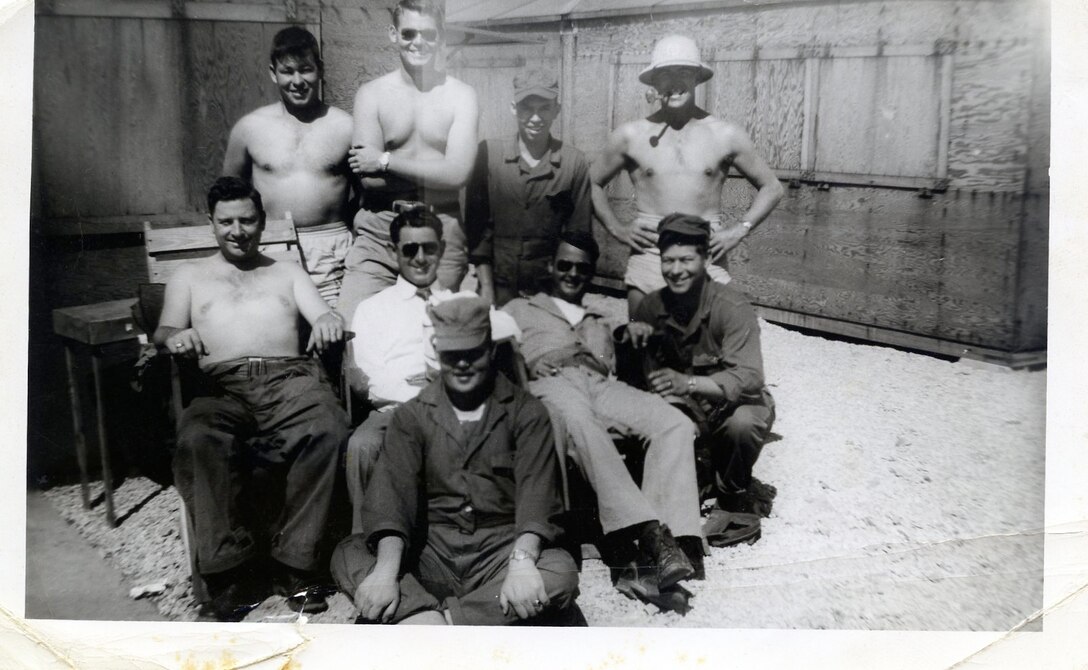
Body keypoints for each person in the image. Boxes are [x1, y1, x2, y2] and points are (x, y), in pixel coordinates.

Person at [153, 177, 349, 622]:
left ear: (261, 222)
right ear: (211, 223)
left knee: (329, 429)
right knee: (199, 436)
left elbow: (323, 314)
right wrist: (176, 336)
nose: (237, 230)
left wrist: (328, 323)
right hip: (220, 384)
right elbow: (164, 331)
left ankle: (295, 565)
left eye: (247, 220)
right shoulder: (189, 276)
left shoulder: (287, 270)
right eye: (226, 221)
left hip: (291, 378)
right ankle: (229, 572)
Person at [331, 296, 581, 625]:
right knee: (348, 553)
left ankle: (431, 620)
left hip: (499, 554)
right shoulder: (411, 417)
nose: (461, 364)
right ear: (437, 357)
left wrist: (521, 563)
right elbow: (392, 497)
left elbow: (538, 499)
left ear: (491, 352)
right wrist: (387, 571)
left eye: (472, 353)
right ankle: (460, 617)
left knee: (560, 571)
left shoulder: (528, 413)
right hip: (430, 552)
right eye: (452, 355)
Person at [502, 231, 704, 610]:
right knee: (579, 420)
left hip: (601, 384)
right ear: (550, 267)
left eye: (582, 268)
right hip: (551, 382)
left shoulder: (600, 316)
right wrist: (526, 366)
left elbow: (624, 351)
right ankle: (650, 537)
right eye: (564, 265)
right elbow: (498, 352)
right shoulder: (518, 308)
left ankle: (672, 546)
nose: (572, 274)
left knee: (673, 423)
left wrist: (633, 331)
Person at [345, 207, 520, 532]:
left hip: (459, 408)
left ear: (441, 249)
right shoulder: (374, 308)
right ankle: (364, 541)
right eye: (410, 249)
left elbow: (509, 326)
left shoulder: (460, 300)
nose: (421, 258)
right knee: (363, 445)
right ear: (394, 251)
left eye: (429, 248)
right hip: (396, 411)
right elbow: (373, 380)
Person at [591, 34, 784, 315]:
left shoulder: (725, 134)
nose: (675, 81)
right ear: (654, 83)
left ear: (696, 78)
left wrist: (738, 231)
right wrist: (616, 228)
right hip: (651, 252)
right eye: (665, 74)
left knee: (709, 347)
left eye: (684, 71)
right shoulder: (630, 135)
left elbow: (772, 187)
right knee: (645, 345)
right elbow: (591, 182)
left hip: (705, 249)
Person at [627, 213, 776, 546]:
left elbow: (750, 377)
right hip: (687, 410)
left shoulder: (732, 305)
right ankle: (700, 473)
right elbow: (645, 376)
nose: (676, 270)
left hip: (732, 406)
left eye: (686, 260)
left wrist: (687, 384)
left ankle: (733, 499)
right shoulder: (651, 306)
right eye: (668, 261)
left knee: (744, 424)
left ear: (706, 259)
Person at [338, 0, 479, 321]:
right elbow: (368, 179)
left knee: (437, 332)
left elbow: (458, 174)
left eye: (428, 34)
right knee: (354, 327)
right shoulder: (371, 94)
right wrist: (438, 171)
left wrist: (386, 160)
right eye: (409, 33)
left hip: (440, 229)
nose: (418, 42)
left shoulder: (461, 95)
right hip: (379, 230)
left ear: (441, 38)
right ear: (393, 34)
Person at [222, 26, 355, 307]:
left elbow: (366, 195)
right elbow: (227, 196)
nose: (297, 81)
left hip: (331, 252)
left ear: (319, 69)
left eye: (305, 69)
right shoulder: (249, 128)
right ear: (273, 73)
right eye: (287, 71)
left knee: (335, 335)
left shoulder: (346, 127)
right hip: (270, 249)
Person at [465, 68, 592, 306]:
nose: (536, 118)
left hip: (549, 290)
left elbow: (579, 237)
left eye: (544, 108)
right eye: (527, 108)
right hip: (498, 286)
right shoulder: (489, 155)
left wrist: (566, 301)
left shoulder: (574, 163)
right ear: (514, 108)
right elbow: (478, 232)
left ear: (557, 110)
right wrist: (488, 292)